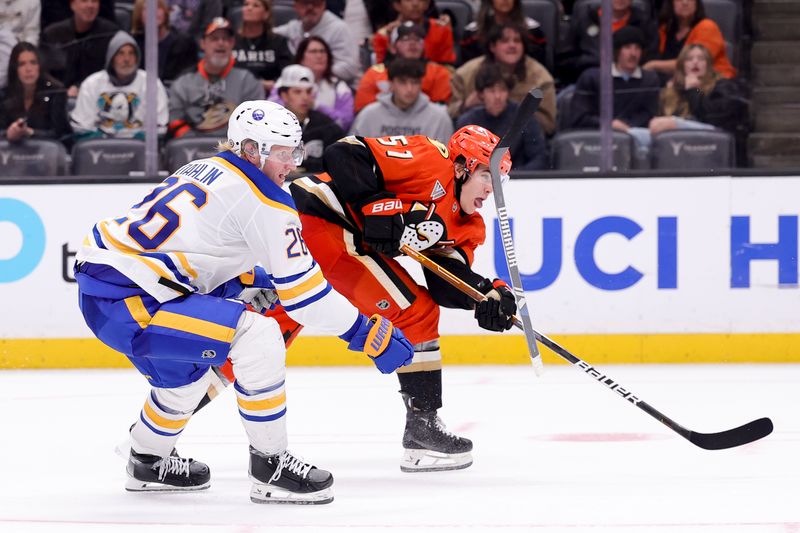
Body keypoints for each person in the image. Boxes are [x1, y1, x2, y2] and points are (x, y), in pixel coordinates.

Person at [74, 99, 414, 502]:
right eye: (283, 153)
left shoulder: (203, 167)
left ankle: (147, 460)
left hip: (110, 286)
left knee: (187, 375)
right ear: (251, 150)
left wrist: (250, 280)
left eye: (296, 151)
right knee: (259, 335)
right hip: (133, 299)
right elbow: (306, 298)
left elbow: (198, 248)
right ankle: (270, 465)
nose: (292, 164)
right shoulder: (265, 200)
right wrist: (364, 331)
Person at [286, 125, 518, 472]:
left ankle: (171, 426)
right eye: (487, 174)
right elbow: (343, 152)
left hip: (320, 239)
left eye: (500, 179)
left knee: (257, 338)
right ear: (460, 167)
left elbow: (446, 283)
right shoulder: (428, 158)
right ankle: (423, 427)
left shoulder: (468, 226)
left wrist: (487, 295)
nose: (492, 188)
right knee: (416, 314)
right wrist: (372, 205)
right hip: (318, 220)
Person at [450, 22, 556, 136]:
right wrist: (465, 106)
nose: (512, 45)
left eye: (517, 41)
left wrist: (512, 110)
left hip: (522, 143)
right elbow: (449, 115)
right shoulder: (465, 74)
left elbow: (549, 125)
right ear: (492, 46)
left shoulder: (541, 78)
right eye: (505, 41)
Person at [648, 43, 748, 163]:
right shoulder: (670, 93)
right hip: (676, 153)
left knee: (671, 123)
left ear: (708, 65)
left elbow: (709, 116)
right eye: (689, 59)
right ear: (682, 66)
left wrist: (694, 90)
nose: (695, 62)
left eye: (701, 59)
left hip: (711, 148)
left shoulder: (722, 86)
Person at [168, 17, 264, 138]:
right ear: (202, 43)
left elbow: (257, 119)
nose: (221, 43)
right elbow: (175, 118)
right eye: (214, 38)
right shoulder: (184, 81)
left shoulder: (248, 80)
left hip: (234, 148)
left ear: (232, 43)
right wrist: (193, 142)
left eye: (225, 39)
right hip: (192, 146)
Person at [70, 31, 168, 140]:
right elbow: (81, 128)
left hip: (140, 148)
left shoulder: (151, 83)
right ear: (111, 57)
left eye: (131, 53)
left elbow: (159, 126)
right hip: (101, 147)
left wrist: (137, 140)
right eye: (121, 53)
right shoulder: (92, 84)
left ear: (137, 57)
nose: (126, 59)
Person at [567, 26, 660, 134]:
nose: (633, 54)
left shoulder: (650, 80)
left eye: (637, 48)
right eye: (627, 47)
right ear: (616, 51)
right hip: (596, 139)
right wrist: (609, 124)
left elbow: (649, 114)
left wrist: (626, 128)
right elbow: (579, 117)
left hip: (635, 139)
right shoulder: (592, 78)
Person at [455, 62, 547, 170]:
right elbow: (459, 162)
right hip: (480, 181)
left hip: (519, 180)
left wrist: (511, 177)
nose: (497, 96)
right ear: (481, 94)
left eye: (502, 90)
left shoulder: (524, 117)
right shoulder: (468, 122)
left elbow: (539, 158)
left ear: (508, 92)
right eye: (491, 91)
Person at [355, 21, 451, 114]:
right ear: (392, 47)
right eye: (405, 39)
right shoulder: (375, 73)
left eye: (417, 39)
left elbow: (442, 110)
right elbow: (362, 111)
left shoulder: (438, 72)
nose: (412, 43)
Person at [349, 57, 453, 142]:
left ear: (421, 84)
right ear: (391, 84)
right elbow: (353, 157)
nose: (409, 89)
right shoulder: (368, 116)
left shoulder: (439, 118)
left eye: (415, 82)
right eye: (402, 82)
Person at [560, 0, 657, 84]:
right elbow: (566, 59)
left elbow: (650, 57)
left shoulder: (644, 22)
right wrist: (589, 64)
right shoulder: (584, 19)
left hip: (631, 83)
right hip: (588, 81)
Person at [274, 64, 345, 173]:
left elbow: (339, 163)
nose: (305, 97)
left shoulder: (327, 126)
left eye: (308, 91)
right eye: (297, 92)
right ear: (284, 95)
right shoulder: (272, 124)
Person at [40, 0, 120, 97]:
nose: (90, 5)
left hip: (98, 94)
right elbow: (46, 72)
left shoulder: (110, 33)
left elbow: (111, 70)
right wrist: (62, 89)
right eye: (84, 1)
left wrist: (81, 87)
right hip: (59, 95)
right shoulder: (53, 34)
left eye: (94, 1)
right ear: (72, 5)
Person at [643, 0, 735, 82]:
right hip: (676, 86)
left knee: (695, 93)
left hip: (709, 88)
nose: (685, 2)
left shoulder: (707, 27)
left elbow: (693, 64)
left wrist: (654, 65)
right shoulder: (664, 29)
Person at [274, 0, 361, 84]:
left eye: (316, 3)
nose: (310, 7)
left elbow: (350, 68)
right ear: (296, 6)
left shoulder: (339, 29)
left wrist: (317, 72)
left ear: (324, 5)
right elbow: (269, 34)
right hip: (301, 86)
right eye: (305, 3)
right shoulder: (294, 27)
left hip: (339, 87)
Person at [0, 41, 71, 143]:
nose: (29, 69)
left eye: (33, 62)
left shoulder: (55, 92)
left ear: (40, 66)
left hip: (48, 154)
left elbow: (63, 134)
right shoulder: (3, 95)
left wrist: (30, 132)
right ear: (15, 69)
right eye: (22, 64)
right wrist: (8, 133)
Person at [291, 36, 354, 131]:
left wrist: (317, 106)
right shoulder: (285, 82)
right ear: (301, 58)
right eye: (313, 51)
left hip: (329, 139)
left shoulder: (340, 87)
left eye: (322, 51)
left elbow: (345, 122)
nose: (319, 56)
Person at [460, 0, 547, 67]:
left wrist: (532, 90)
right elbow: (468, 74)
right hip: (482, 85)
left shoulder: (532, 31)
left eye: (516, 40)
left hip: (525, 84)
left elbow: (539, 79)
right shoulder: (472, 33)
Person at [131, 0, 198, 85]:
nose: (153, 13)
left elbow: (189, 79)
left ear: (165, 12)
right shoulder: (133, 44)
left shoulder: (185, 43)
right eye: (147, 9)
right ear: (139, 15)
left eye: (158, 8)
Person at [232, 0, 292, 94]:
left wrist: (274, 84)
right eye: (246, 4)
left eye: (255, 5)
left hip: (270, 97)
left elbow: (287, 73)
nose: (249, 8)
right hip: (236, 94)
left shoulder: (278, 42)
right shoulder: (231, 41)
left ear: (266, 14)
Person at [372, 0, 456, 65]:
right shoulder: (384, 35)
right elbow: (380, 70)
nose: (415, 4)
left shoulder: (442, 30)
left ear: (427, 4)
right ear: (397, 5)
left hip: (434, 82)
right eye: (409, 0)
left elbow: (447, 66)